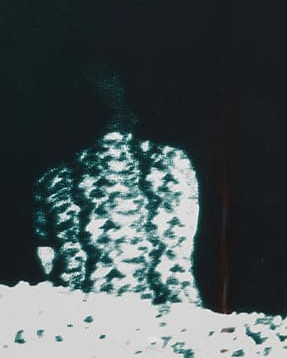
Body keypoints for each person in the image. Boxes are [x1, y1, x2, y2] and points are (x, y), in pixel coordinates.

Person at [33, 68, 201, 305]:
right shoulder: (173, 160)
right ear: (131, 113)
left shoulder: (53, 180)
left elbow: (47, 259)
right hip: (173, 312)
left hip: (89, 313)